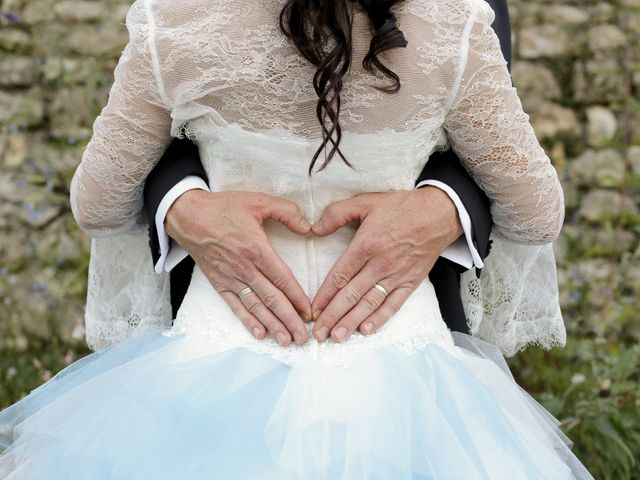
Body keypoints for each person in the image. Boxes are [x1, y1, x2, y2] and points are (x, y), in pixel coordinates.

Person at [0, 0, 593, 478]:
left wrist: (440, 206)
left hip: (219, 352)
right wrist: (183, 205)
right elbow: (537, 210)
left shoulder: (172, 22)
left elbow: (98, 202)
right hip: (405, 375)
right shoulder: (453, 25)